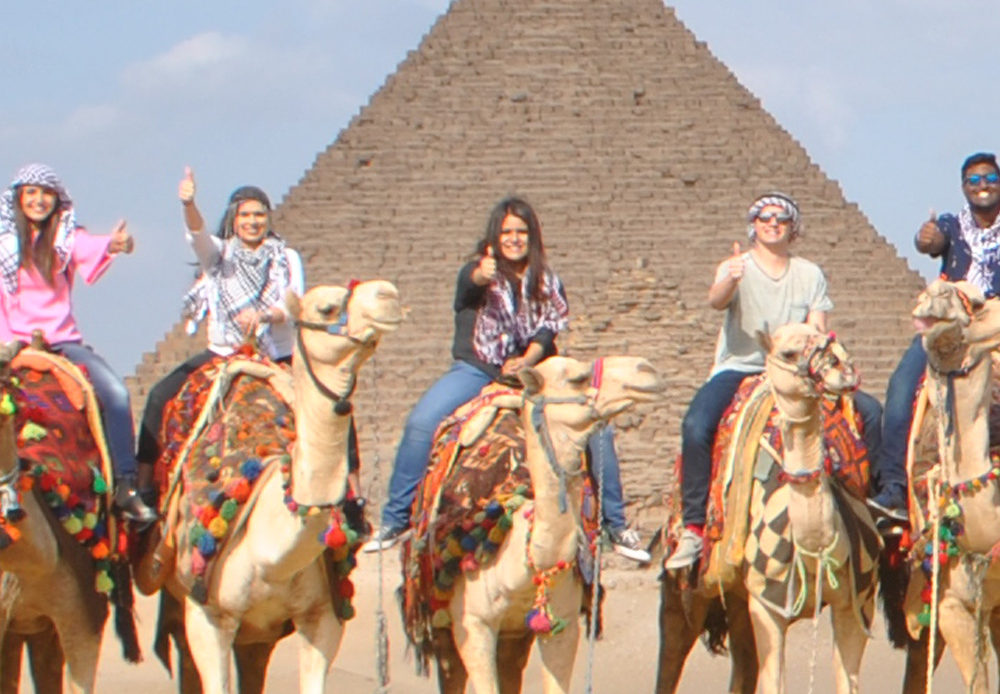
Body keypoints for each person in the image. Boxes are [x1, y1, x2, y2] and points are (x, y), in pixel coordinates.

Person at [363, 196, 650, 562]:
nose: (514, 239)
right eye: (506, 232)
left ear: (533, 236)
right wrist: (481, 275)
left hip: (537, 373)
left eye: (521, 232)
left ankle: (615, 525)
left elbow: (547, 331)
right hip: (479, 368)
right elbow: (466, 290)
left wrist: (526, 361)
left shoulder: (548, 281)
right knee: (421, 422)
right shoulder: (477, 272)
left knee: (598, 428)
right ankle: (395, 519)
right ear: (494, 237)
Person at [667, 192, 883, 569]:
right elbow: (716, 300)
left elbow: (818, 328)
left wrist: (833, 362)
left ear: (792, 228)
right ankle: (694, 527)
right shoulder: (736, 266)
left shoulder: (809, 274)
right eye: (764, 217)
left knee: (870, 413)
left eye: (781, 218)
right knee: (696, 426)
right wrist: (731, 280)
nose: (772, 223)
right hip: (741, 367)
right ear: (753, 225)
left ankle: (878, 509)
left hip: (798, 371)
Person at [136, 168, 309, 496]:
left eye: (259, 214)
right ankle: (142, 490)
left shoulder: (286, 258)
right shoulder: (218, 255)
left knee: (330, 408)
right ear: (233, 218)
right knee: (159, 396)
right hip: (223, 354)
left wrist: (264, 315)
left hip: (275, 355)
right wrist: (189, 204)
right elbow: (197, 234)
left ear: (268, 218)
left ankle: (350, 495)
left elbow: (293, 305)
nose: (252, 221)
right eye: (245, 215)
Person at [0, 163, 155, 523]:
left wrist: (116, 245)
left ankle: (126, 485)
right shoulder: (4, 245)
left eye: (46, 193)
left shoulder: (64, 239)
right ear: (19, 198)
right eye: (31, 192)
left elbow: (93, 246)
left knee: (116, 394)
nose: (39, 200)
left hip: (61, 343)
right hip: (11, 345)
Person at [871, 152, 1000, 524]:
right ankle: (894, 489)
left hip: (995, 325)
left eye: (990, 178)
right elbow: (930, 241)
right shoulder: (951, 225)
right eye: (974, 180)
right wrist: (925, 238)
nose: (982, 185)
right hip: (952, 326)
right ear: (963, 187)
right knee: (901, 389)